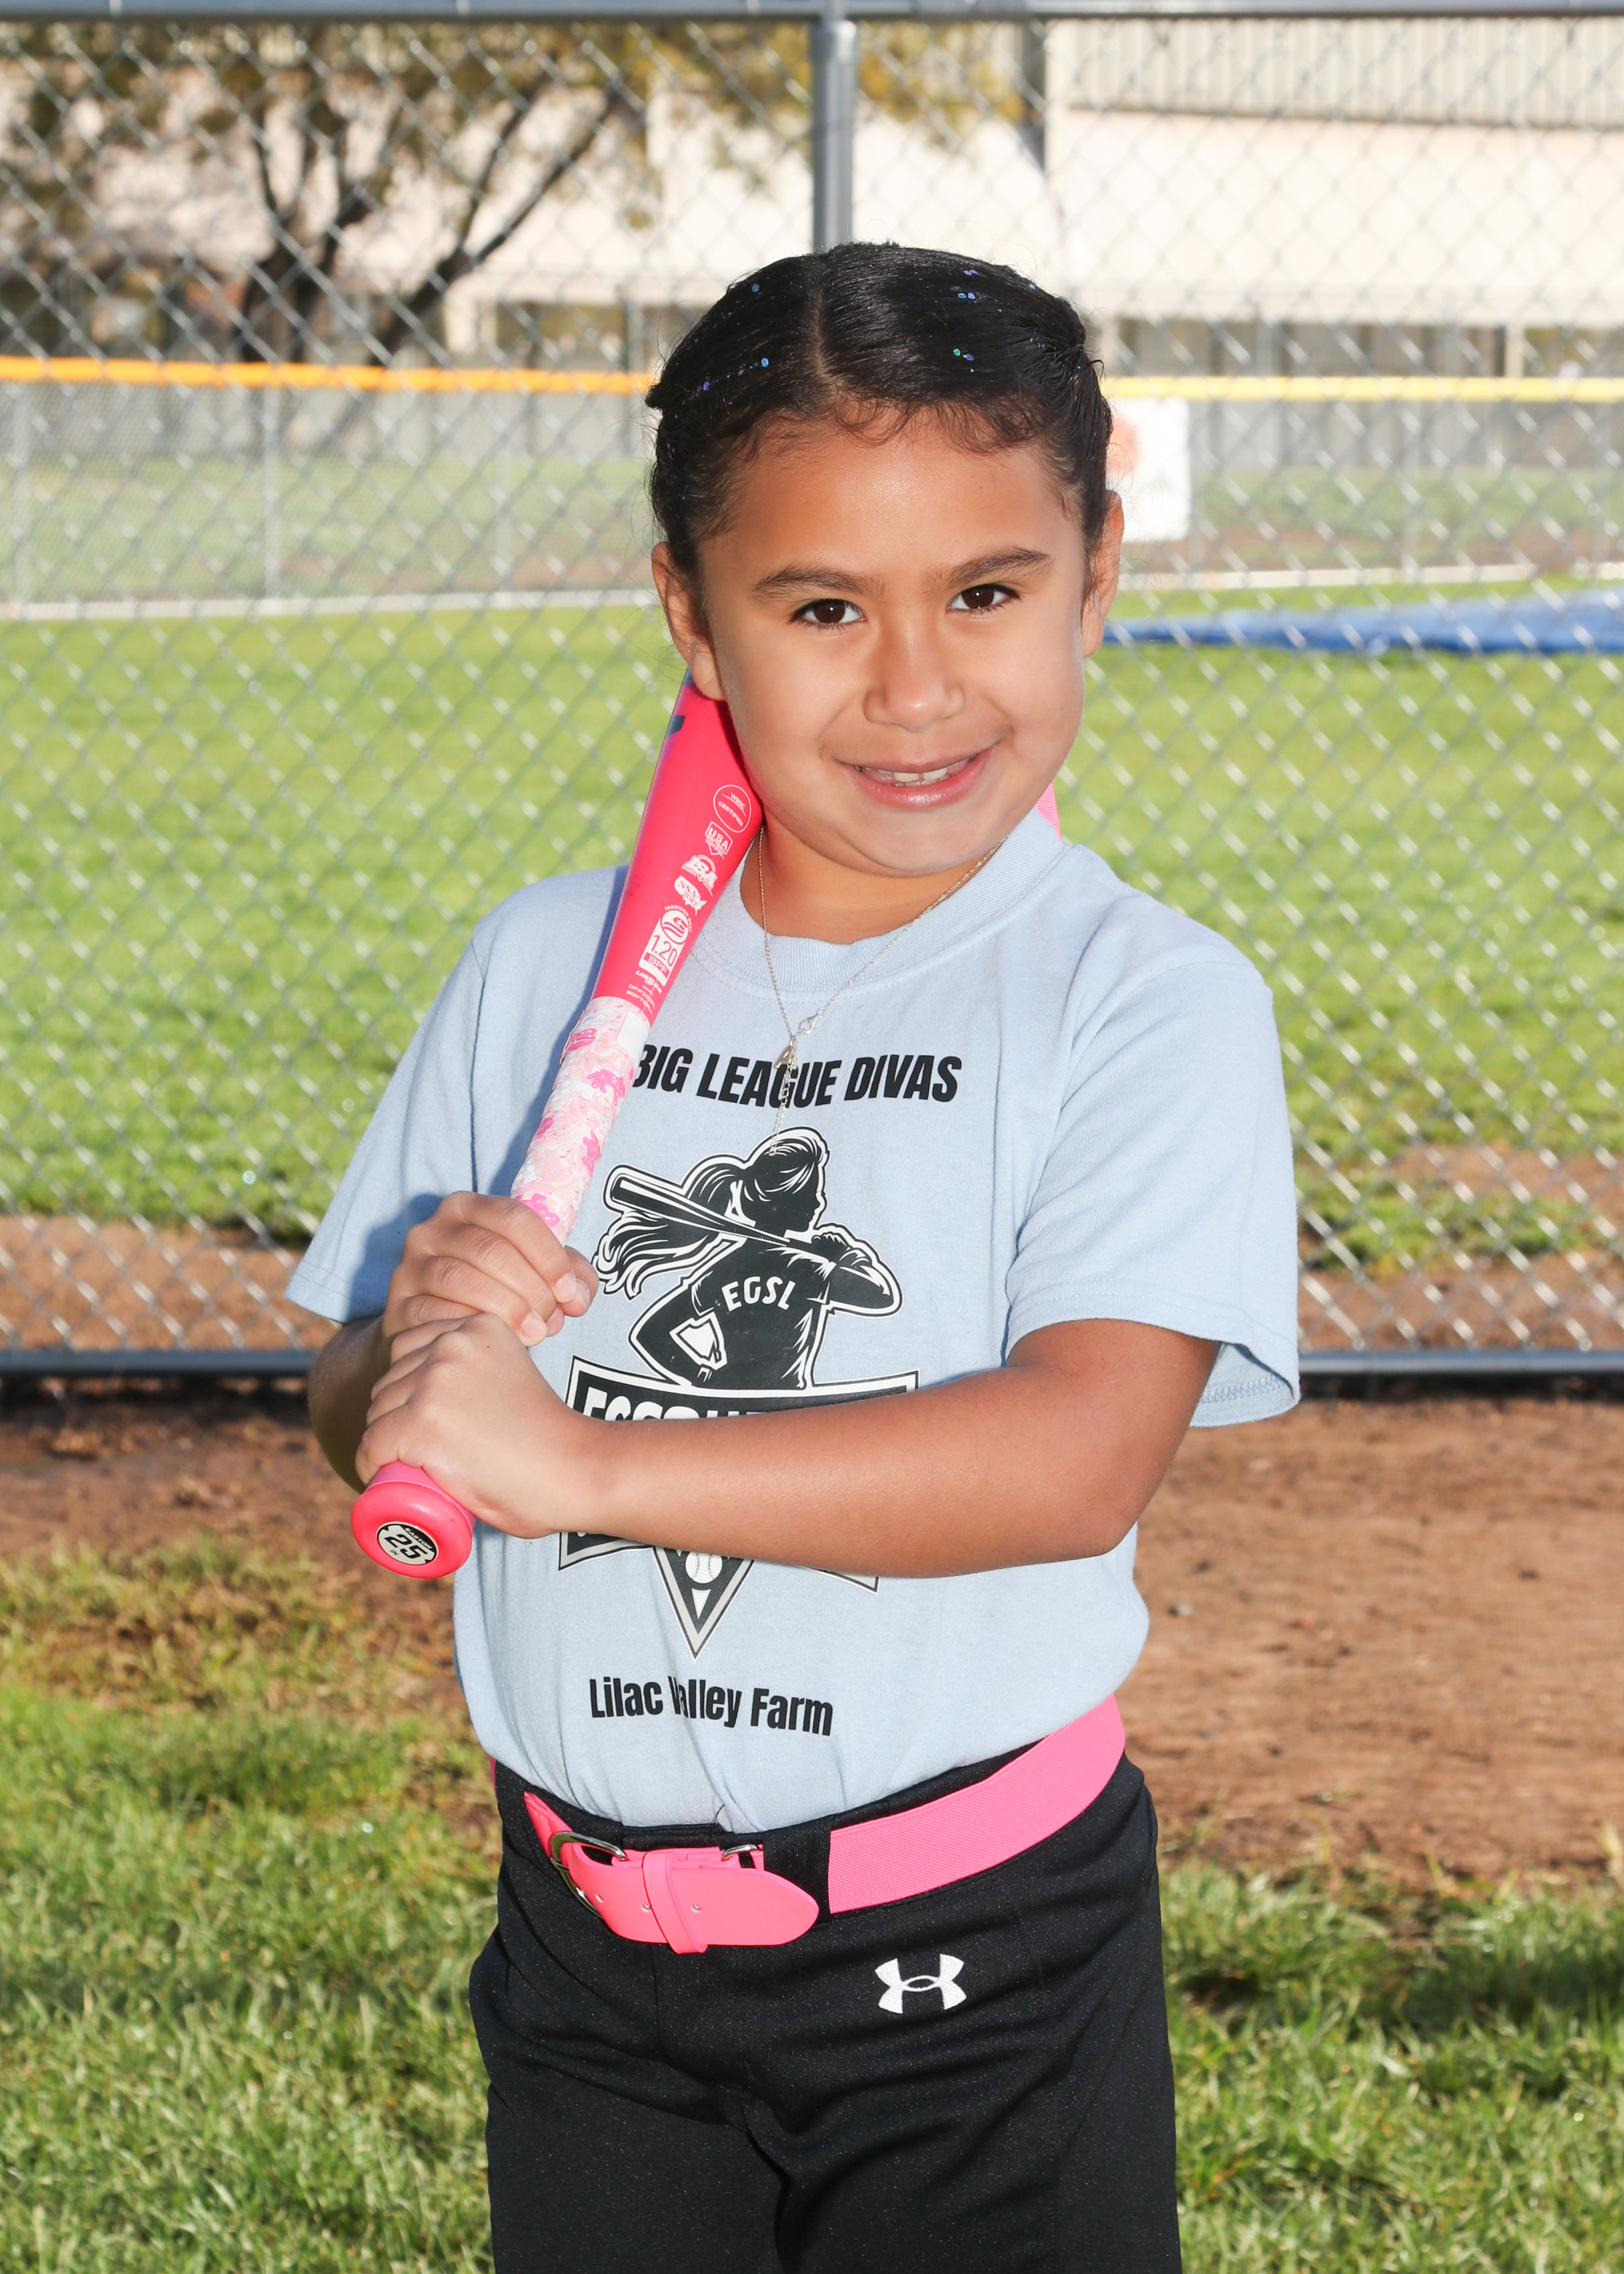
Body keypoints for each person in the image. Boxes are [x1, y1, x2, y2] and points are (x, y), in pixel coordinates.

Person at [291, 242, 1299, 2274]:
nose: (914, 686)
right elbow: (356, 1402)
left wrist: (581, 1462)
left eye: (986, 593)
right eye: (822, 607)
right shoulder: (542, 961)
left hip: (976, 1965)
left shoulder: (1139, 997)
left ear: (1097, 571)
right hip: (587, 1959)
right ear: (693, 613)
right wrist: (417, 1346)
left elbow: (1073, 1458)